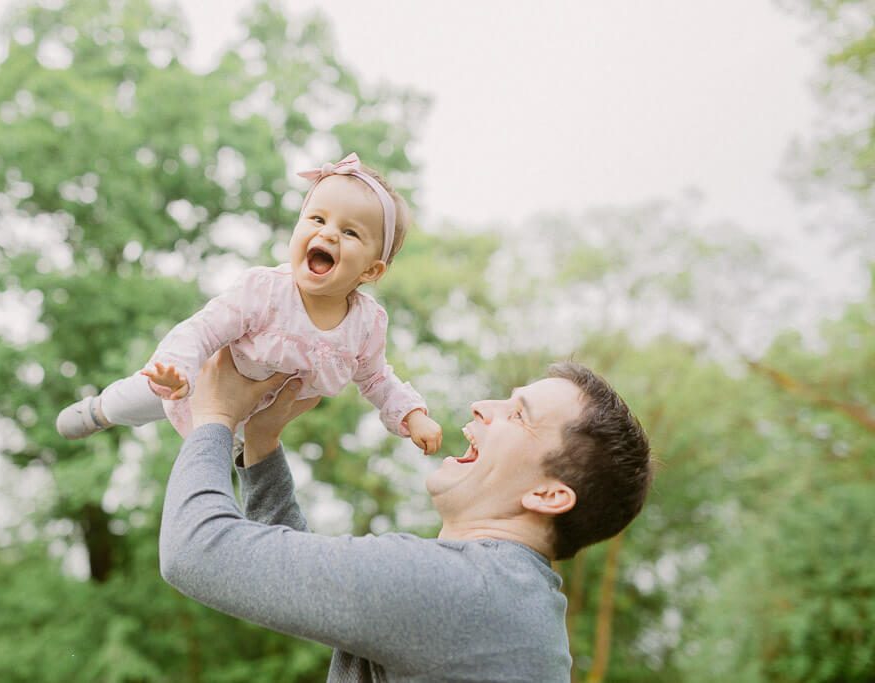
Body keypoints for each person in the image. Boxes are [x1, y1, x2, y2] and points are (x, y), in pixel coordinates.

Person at [159, 347, 653, 682]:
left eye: (519, 414)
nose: (482, 405)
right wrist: (261, 444)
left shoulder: (462, 590)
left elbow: (196, 551)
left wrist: (214, 417)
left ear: (548, 495)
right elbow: (286, 577)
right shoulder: (503, 595)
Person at [55, 152, 443, 453]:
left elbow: (376, 378)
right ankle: (99, 410)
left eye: (350, 232)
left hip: (248, 419)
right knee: (137, 400)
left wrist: (412, 415)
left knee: (229, 462)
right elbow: (203, 330)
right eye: (317, 219)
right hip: (199, 381)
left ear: (372, 270)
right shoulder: (266, 291)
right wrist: (179, 368)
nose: (328, 234)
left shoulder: (365, 324)